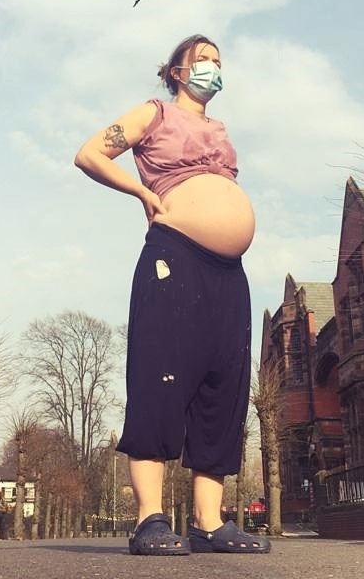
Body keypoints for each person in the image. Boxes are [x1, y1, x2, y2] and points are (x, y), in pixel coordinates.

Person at [74, 35, 270, 556]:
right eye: (203, 60)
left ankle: (210, 522)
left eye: (218, 62)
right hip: (174, 254)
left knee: (223, 385)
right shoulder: (154, 113)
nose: (213, 68)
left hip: (229, 270)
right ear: (177, 71)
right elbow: (89, 153)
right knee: (159, 378)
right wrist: (141, 191)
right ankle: (150, 520)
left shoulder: (220, 131)